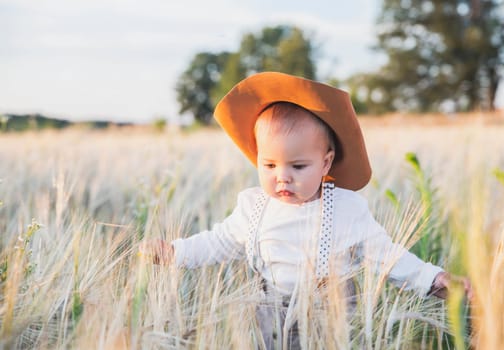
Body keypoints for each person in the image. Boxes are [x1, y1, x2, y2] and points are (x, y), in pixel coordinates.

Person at [139, 72, 472, 349]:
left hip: (331, 317)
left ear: (325, 163)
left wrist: (432, 279)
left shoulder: (344, 209)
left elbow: (387, 255)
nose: (282, 176)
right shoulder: (253, 206)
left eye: (298, 166)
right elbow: (218, 242)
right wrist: (174, 252)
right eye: (268, 164)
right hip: (268, 314)